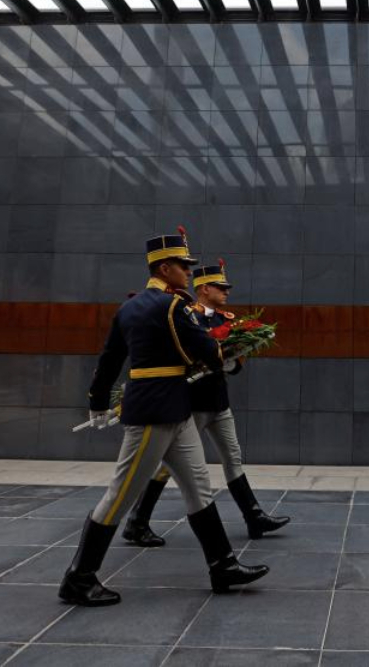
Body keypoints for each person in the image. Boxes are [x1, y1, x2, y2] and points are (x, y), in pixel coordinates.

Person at [58, 228, 268, 607]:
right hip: (156, 412)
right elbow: (204, 349)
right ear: (165, 267)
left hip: (172, 409)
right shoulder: (172, 306)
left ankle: (223, 565)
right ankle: (79, 577)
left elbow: (108, 361)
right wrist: (227, 352)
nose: (189, 272)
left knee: (198, 485)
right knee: (120, 495)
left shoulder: (130, 307)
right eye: (183, 266)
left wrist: (98, 403)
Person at [122, 259, 290, 547]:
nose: (226, 292)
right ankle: (137, 521)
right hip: (192, 403)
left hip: (218, 401)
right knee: (168, 466)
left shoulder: (227, 321)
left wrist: (229, 363)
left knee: (232, 458)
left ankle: (254, 516)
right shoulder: (185, 315)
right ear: (204, 289)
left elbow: (236, 366)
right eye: (220, 287)